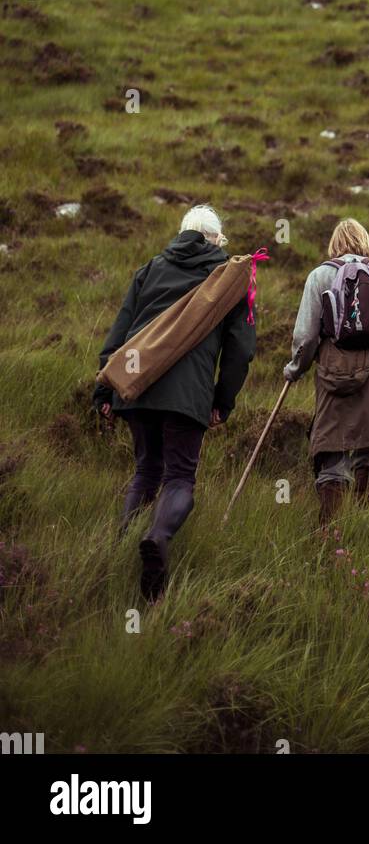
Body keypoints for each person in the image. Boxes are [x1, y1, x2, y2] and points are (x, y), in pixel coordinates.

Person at [92, 205, 255, 600]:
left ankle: (120, 551)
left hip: (137, 387)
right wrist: (223, 400)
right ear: (218, 240)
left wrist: (105, 387)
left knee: (146, 471)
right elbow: (242, 350)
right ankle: (158, 538)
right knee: (179, 477)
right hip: (189, 395)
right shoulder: (231, 279)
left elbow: (121, 330)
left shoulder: (150, 268)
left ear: (181, 234)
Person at [282, 218, 369, 524]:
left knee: (332, 455)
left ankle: (330, 534)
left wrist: (294, 370)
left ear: (334, 244)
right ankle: (364, 526)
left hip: (333, 373)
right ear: (365, 241)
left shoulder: (319, 276)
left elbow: (305, 338)